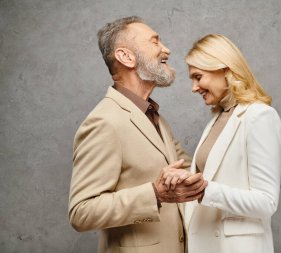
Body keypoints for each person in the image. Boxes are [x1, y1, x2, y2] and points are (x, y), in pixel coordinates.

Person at [68, 16, 207, 253]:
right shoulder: (104, 122)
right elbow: (82, 212)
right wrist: (154, 193)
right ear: (126, 57)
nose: (166, 49)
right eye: (155, 42)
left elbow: (187, 170)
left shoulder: (154, 116)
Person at [184, 34, 281, 253]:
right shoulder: (217, 119)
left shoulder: (259, 116)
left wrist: (205, 191)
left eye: (198, 77)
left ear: (223, 69)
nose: (194, 87)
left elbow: (266, 202)